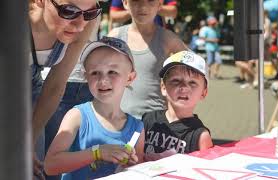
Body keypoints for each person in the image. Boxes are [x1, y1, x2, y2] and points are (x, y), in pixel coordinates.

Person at [44, 37, 145, 179]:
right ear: (86, 77)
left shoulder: (137, 128)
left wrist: (132, 167)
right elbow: (50, 165)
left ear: (130, 78)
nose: (103, 80)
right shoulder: (76, 116)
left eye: (112, 72)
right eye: (95, 73)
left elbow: (137, 172)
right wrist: (97, 153)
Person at [29, 0, 101, 178]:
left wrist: (29, 141)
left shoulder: (84, 23)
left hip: (32, 86)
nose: (79, 24)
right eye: (69, 11)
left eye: (90, 12)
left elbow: (55, 84)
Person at [108, 0, 187, 119]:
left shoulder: (167, 38)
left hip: (156, 121)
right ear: (125, 3)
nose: (143, 6)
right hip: (118, 118)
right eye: (136, 1)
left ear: (159, 5)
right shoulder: (115, 37)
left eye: (150, 1)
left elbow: (197, 67)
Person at [143, 51, 213, 161]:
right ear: (163, 87)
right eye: (176, 81)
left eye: (192, 83)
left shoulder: (200, 136)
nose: (184, 87)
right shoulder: (148, 119)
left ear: (203, 93)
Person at [109, 0, 177, 28]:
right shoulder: (116, 34)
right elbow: (113, 15)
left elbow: (173, 12)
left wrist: (153, 7)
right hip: (129, 38)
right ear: (125, 3)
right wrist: (133, 9)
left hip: (159, 38)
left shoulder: (170, 39)